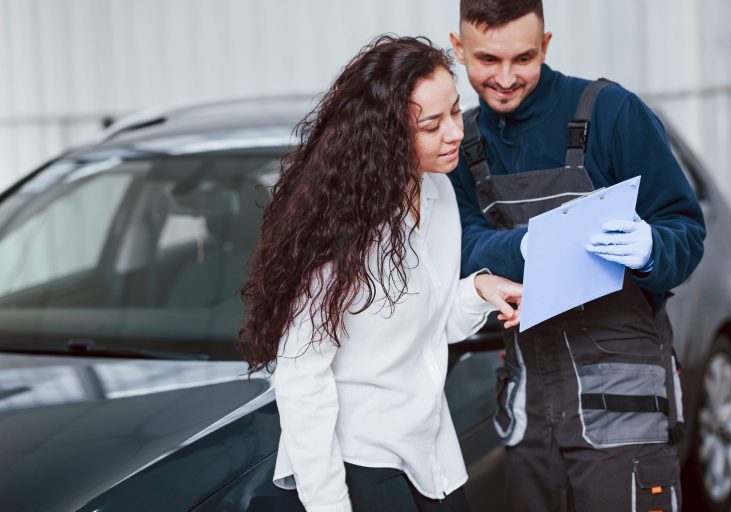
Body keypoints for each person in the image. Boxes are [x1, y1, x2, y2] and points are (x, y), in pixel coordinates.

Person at [238, 35, 523, 512]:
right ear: (387, 134)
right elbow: (301, 378)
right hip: (361, 460)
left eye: (455, 112)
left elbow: (430, 324)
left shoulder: (438, 191)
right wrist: (330, 505)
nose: (455, 132)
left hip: (431, 448)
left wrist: (477, 288)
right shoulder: (341, 231)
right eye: (432, 125)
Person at [448, 1, 706, 511]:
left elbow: (686, 231)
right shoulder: (464, 142)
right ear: (458, 50)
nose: (504, 78)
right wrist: (528, 247)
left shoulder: (612, 113)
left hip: (626, 419)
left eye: (523, 58)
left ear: (545, 45)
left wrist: (654, 248)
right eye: (486, 61)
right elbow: (459, 250)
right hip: (532, 421)